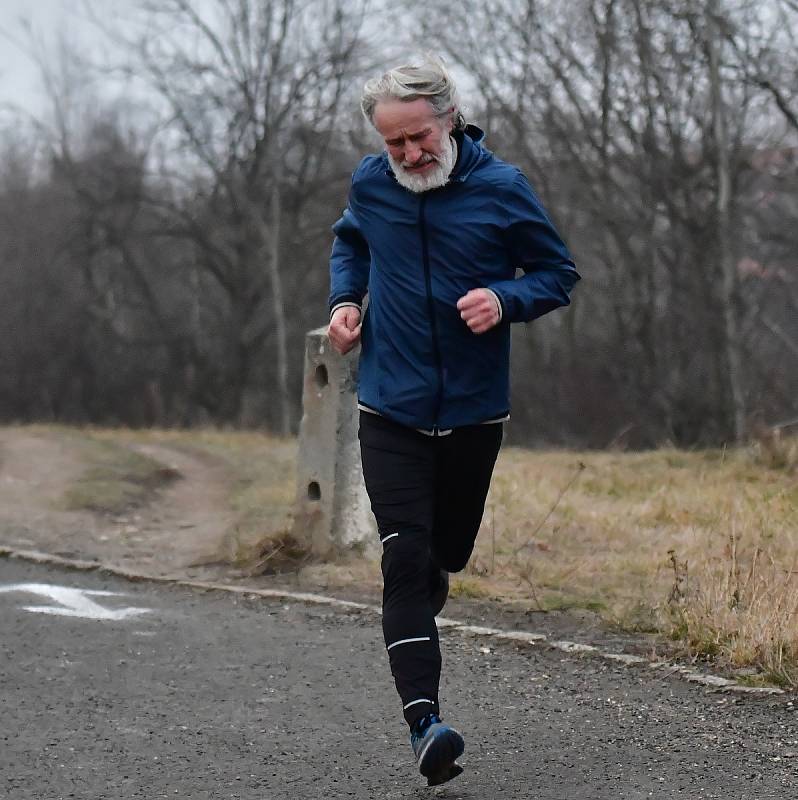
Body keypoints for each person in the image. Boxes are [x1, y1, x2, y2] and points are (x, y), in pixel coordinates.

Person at [327, 57, 579, 786]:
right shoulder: (372, 185)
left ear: (450, 119)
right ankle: (425, 725)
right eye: (394, 143)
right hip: (391, 407)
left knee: (447, 554)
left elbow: (556, 274)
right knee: (403, 557)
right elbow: (352, 242)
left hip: (472, 413)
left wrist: (504, 299)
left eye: (419, 137)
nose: (408, 155)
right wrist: (348, 302)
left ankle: (436, 570)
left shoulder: (501, 188)